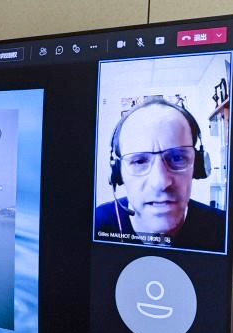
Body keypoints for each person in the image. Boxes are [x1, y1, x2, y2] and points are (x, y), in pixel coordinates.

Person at [93, 99, 225, 251]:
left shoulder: (223, 227)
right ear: (117, 172)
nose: (160, 182)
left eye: (177, 158)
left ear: (198, 165)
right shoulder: (96, 224)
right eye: (139, 161)